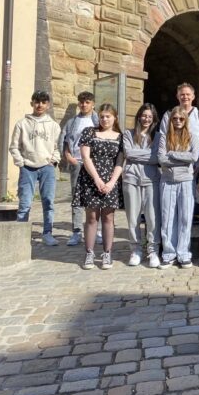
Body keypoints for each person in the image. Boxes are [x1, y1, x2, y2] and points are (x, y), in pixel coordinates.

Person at [72, 103, 124, 270]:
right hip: (91, 179)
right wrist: (97, 179)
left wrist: (111, 182)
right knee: (92, 217)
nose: (104, 119)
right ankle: (89, 252)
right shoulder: (89, 132)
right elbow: (85, 157)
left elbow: (120, 161)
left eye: (108, 116)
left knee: (108, 218)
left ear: (114, 118)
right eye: (102, 116)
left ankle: (107, 253)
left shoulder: (120, 137)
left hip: (110, 180)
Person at [10, 90, 62, 247]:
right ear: (32, 103)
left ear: (48, 105)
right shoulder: (22, 124)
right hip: (28, 168)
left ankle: (47, 233)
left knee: (48, 202)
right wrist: (21, 162)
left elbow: (57, 146)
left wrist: (53, 161)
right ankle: (20, 235)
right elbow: (14, 147)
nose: (40, 105)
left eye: (43, 102)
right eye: (37, 102)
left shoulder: (53, 125)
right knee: (25, 202)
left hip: (47, 167)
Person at [158, 106, 199, 269]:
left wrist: (172, 154)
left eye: (181, 119)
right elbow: (161, 159)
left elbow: (194, 157)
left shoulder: (192, 137)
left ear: (186, 120)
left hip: (186, 181)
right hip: (168, 180)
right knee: (167, 218)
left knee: (185, 218)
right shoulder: (164, 137)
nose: (178, 121)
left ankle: (183, 253)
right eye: (175, 118)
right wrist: (182, 159)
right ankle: (169, 253)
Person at [59, 91, 101, 246]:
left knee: (96, 196)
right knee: (77, 197)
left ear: (93, 104)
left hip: (94, 164)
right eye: (82, 102)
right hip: (77, 162)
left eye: (87, 102)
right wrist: (67, 156)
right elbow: (65, 140)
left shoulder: (99, 121)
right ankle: (77, 232)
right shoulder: (72, 122)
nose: (84, 105)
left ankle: (97, 231)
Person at [122, 103, 162, 268]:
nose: (146, 119)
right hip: (131, 179)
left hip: (151, 180)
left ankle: (153, 251)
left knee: (153, 218)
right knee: (133, 217)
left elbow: (157, 158)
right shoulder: (128, 134)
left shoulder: (158, 137)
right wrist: (148, 155)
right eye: (144, 115)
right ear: (139, 116)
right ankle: (136, 250)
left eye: (150, 117)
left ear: (154, 119)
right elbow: (128, 153)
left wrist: (138, 155)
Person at [159, 83, 199, 164]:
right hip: (171, 163)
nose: (185, 97)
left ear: (193, 96)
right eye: (182, 94)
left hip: (193, 165)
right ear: (177, 96)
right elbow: (163, 137)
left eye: (188, 94)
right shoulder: (169, 115)